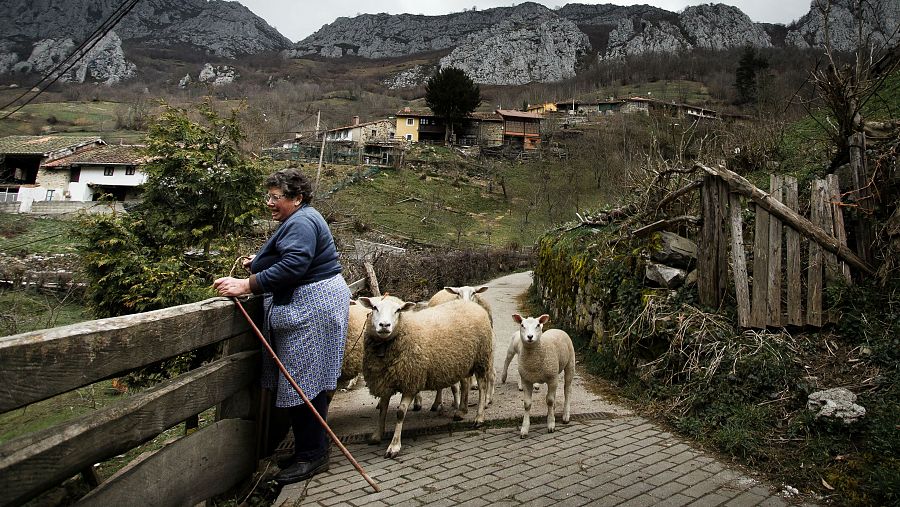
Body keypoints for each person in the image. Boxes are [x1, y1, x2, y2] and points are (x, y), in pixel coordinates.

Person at [214, 167, 349, 485]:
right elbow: (291, 256)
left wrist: (246, 284)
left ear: (297, 198)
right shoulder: (304, 218)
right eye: (269, 196)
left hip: (311, 311)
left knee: (304, 383)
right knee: (308, 381)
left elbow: (294, 264)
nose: (269, 202)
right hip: (317, 305)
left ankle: (312, 457)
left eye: (276, 197)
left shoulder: (301, 221)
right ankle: (310, 448)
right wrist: (260, 261)